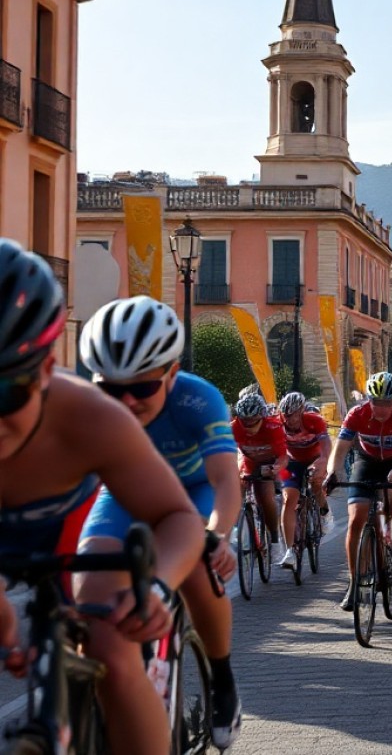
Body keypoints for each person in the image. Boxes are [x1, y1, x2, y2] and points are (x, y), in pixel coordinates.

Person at [0, 247, 206, 755]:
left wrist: (157, 588)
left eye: (5, 393)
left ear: (48, 369)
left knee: (112, 643)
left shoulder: (91, 416)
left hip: (71, 527)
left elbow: (178, 515)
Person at [76, 294, 240, 750]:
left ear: (171, 374)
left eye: (143, 388)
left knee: (198, 570)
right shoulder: (85, 405)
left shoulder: (198, 398)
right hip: (124, 497)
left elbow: (226, 479)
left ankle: (222, 679)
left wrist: (217, 535)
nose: (126, 401)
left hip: (193, 493)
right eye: (112, 388)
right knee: (91, 597)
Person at [324, 371, 392, 610]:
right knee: (357, 516)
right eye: (376, 402)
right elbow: (340, 451)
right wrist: (332, 473)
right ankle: (354, 582)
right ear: (368, 400)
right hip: (366, 461)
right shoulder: (357, 414)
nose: (381, 409)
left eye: (387, 403)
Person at [276, 390, 331, 569]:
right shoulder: (278, 423)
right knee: (288, 499)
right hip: (291, 462)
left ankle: (324, 511)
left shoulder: (314, 420)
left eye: (293, 416)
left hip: (314, 458)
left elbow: (326, 446)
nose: (289, 420)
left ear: (301, 412)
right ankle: (290, 551)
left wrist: (323, 461)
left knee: (316, 484)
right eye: (287, 416)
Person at [230, 392, 287, 560]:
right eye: (244, 421)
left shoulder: (273, 427)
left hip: (269, 463)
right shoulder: (233, 427)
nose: (248, 425)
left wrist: (276, 469)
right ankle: (239, 528)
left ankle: (275, 540)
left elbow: (283, 456)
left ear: (262, 416)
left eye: (253, 420)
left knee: (266, 498)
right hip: (248, 462)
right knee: (234, 492)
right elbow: (226, 454)